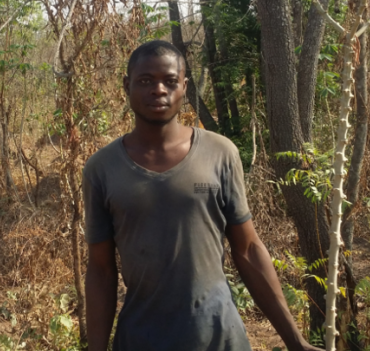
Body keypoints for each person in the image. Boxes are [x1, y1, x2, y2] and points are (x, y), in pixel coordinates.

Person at [83, 40, 323, 351]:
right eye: (145, 81)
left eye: (169, 81)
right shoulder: (102, 168)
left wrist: (296, 341)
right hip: (141, 339)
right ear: (126, 86)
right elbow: (101, 270)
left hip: (219, 336)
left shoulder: (220, 152)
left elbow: (248, 249)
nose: (158, 89)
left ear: (184, 87)